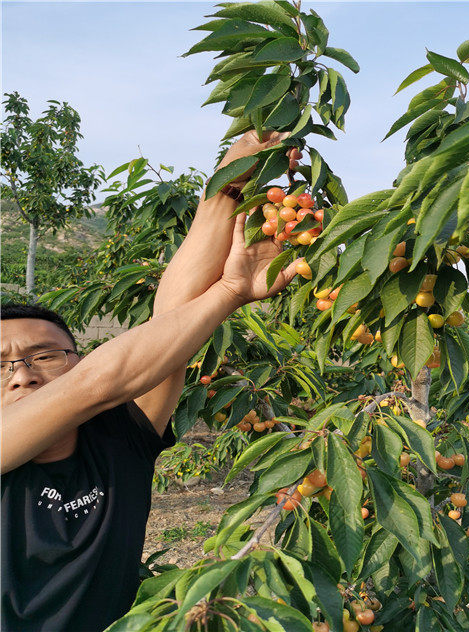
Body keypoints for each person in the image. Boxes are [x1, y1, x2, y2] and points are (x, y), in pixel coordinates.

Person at [0, 130, 297, 632]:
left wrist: (230, 182)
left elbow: (170, 320)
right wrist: (229, 291)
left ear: (75, 359)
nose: (23, 375)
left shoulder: (118, 440)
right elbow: (93, 385)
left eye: (44, 354)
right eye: (1, 364)